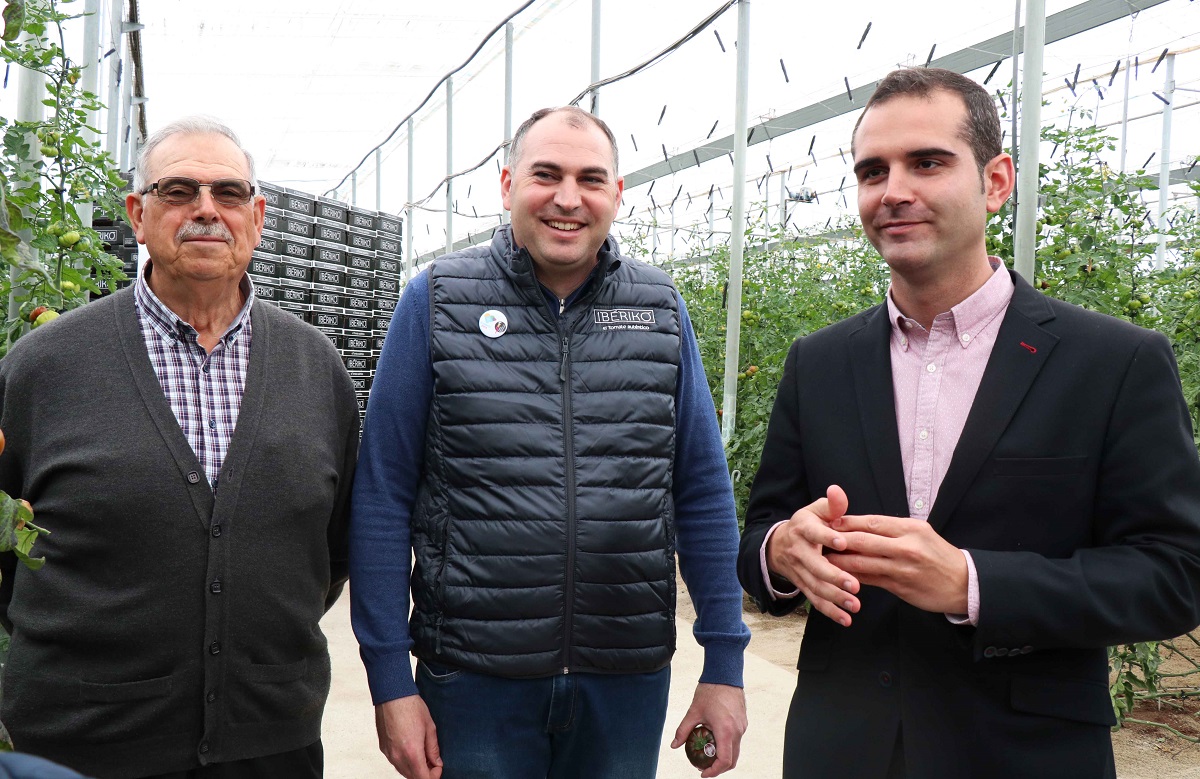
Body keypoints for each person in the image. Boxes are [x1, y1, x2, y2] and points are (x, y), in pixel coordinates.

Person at [737, 67, 1200, 779]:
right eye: (872, 170)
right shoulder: (820, 362)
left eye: (927, 162)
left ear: (996, 181)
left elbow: (1175, 573)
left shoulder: (1112, 363)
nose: (893, 190)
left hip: (1024, 754)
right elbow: (762, 529)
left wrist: (972, 582)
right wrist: (780, 550)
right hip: (844, 750)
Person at [350, 106, 750, 779]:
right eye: (546, 175)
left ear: (617, 194)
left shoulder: (658, 309)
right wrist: (390, 677)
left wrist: (725, 663)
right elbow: (383, 492)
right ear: (507, 185)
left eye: (591, 178)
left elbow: (701, 489)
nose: (568, 198)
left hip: (624, 678)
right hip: (474, 675)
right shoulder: (437, 302)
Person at [0, 117, 360, 779]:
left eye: (228, 193)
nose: (205, 210)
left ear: (257, 216)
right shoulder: (43, 367)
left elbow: (329, 549)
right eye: (178, 191)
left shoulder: (317, 369)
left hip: (269, 744)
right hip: (79, 746)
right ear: (138, 214)